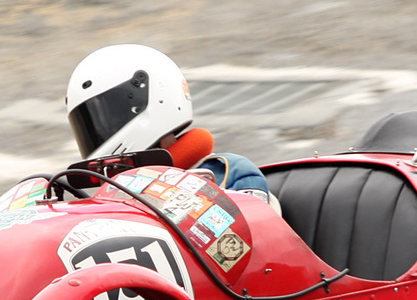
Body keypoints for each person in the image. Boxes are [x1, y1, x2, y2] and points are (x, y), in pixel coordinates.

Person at [64, 44, 274, 201]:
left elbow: (258, 246)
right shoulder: (108, 200)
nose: (96, 128)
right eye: (87, 122)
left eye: (107, 112)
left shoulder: (229, 173)